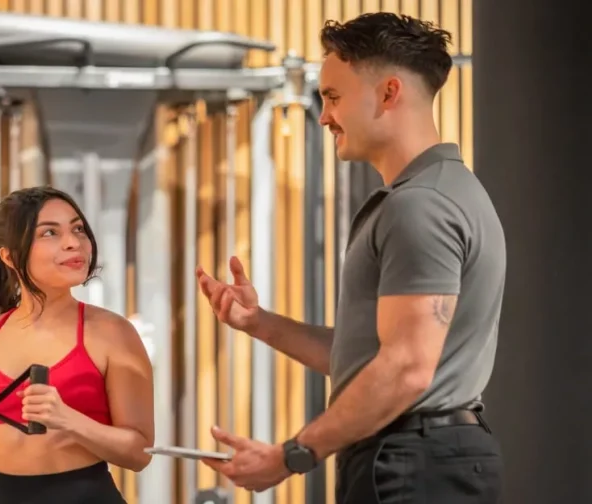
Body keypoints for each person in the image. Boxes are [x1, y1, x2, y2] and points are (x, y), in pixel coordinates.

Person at [196, 12, 506, 504]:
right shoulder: (440, 192)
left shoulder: (419, 205)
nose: (323, 116)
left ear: (388, 93)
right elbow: (376, 359)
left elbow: (405, 368)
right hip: (421, 457)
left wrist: (288, 456)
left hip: (411, 463)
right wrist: (259, 323)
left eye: (333, 97)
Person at [0, 186, 155, 504]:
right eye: (49, 233)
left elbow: (140, 453)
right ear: (10, 256)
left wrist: (69, 420)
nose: (73, 242)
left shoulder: (114, 333)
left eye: (78, 228)